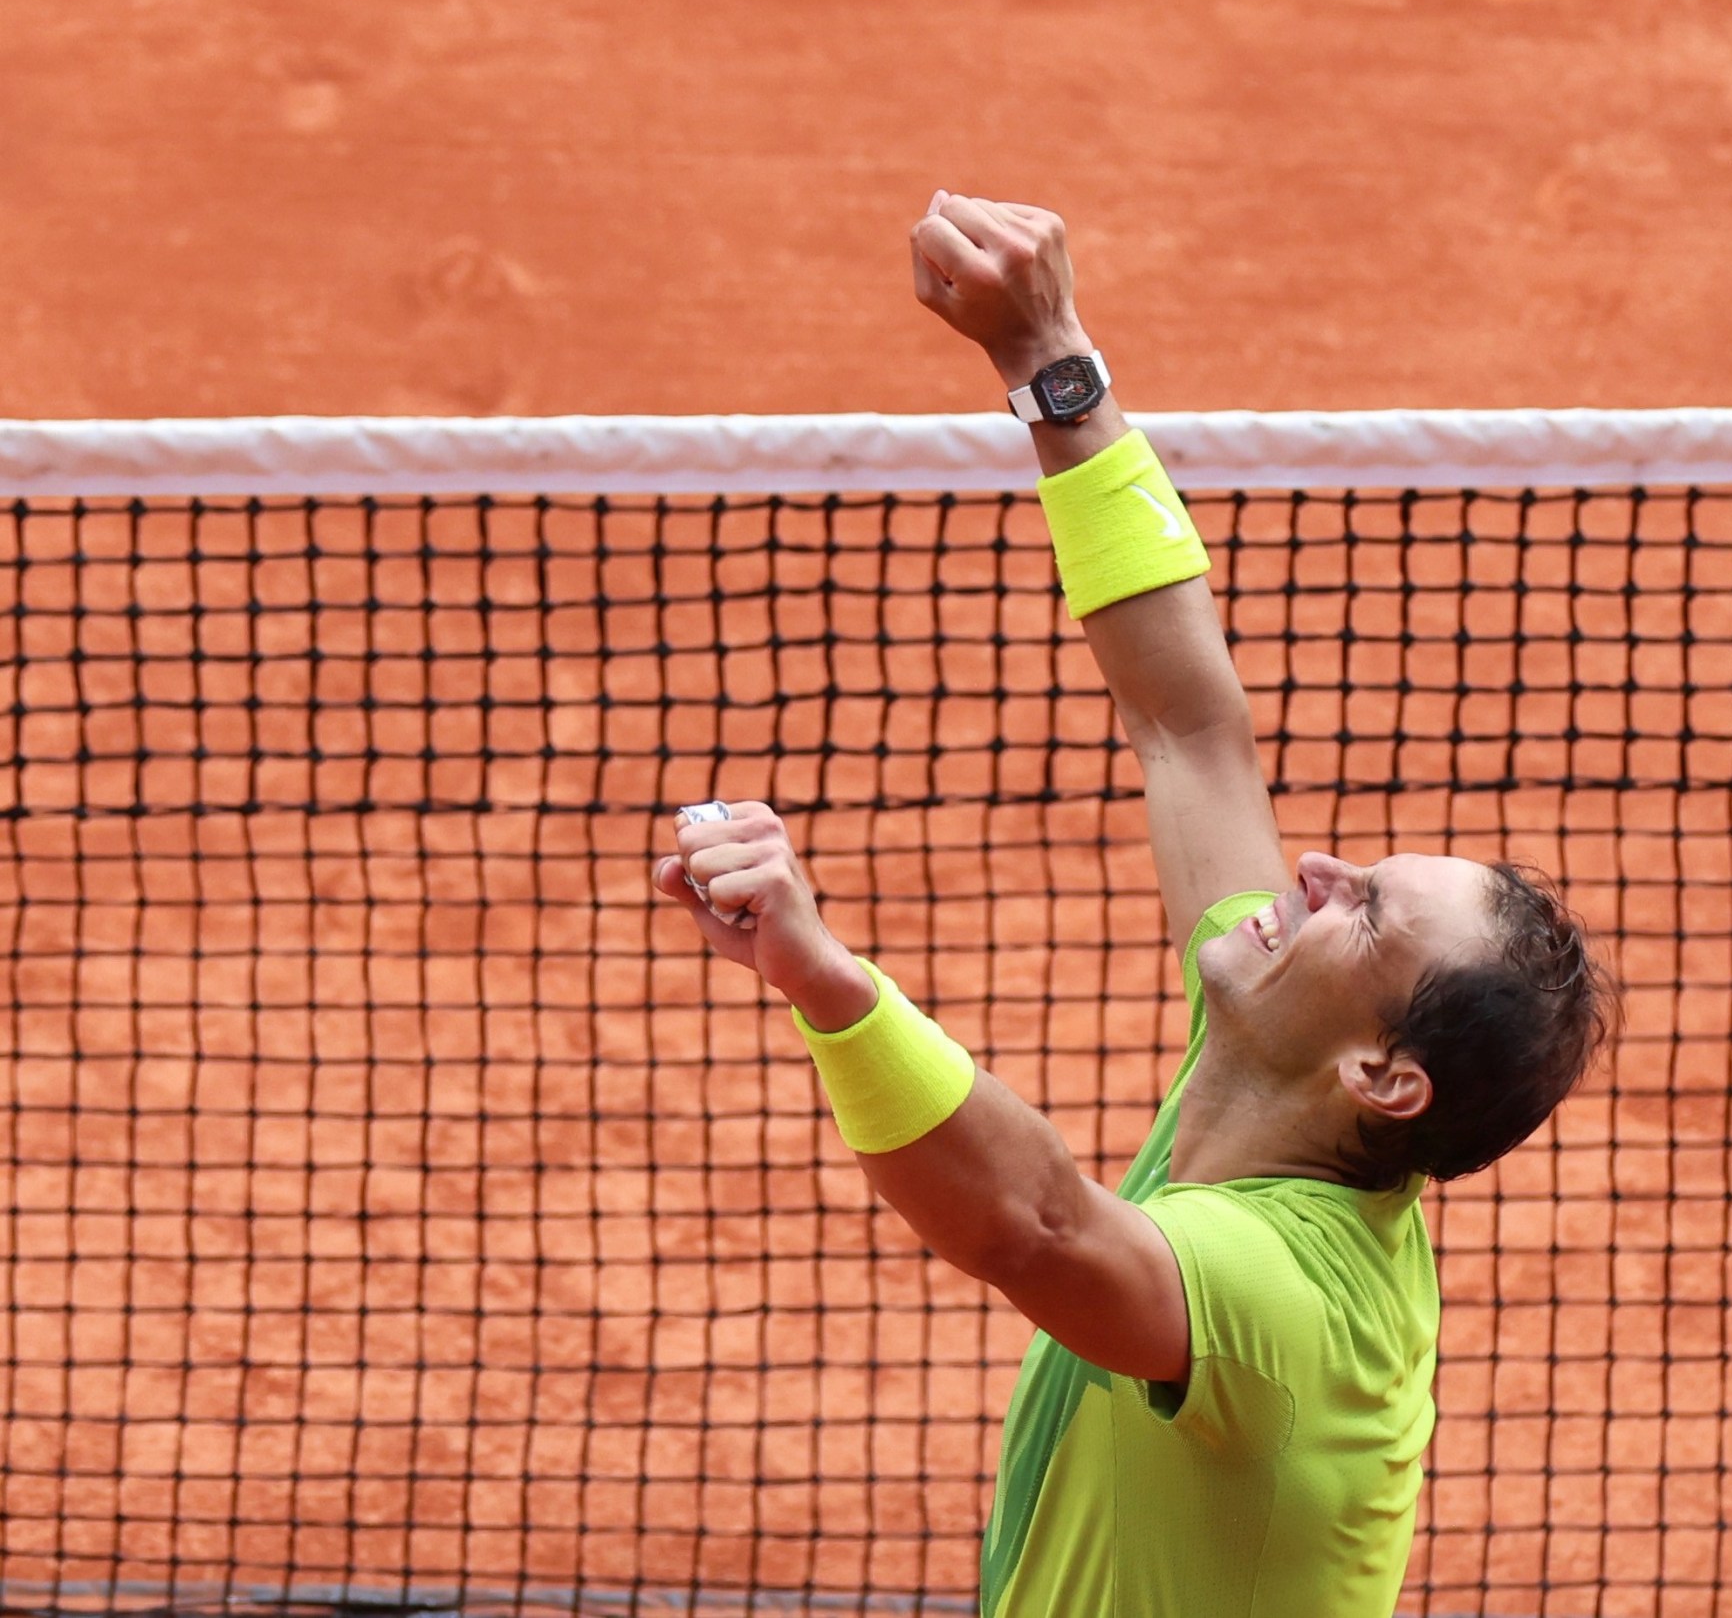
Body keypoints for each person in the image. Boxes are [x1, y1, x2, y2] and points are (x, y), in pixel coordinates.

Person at [652, 192, 1618, 1618]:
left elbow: (1036, 1227)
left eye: (1363, 912)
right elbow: (1188, 726)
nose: (1313, 871)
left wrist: (826, 978)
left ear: (1383, 1075)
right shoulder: (1275, 1072)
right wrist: (1050, 359)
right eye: (1359, 862)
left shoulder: (1285, 1308)